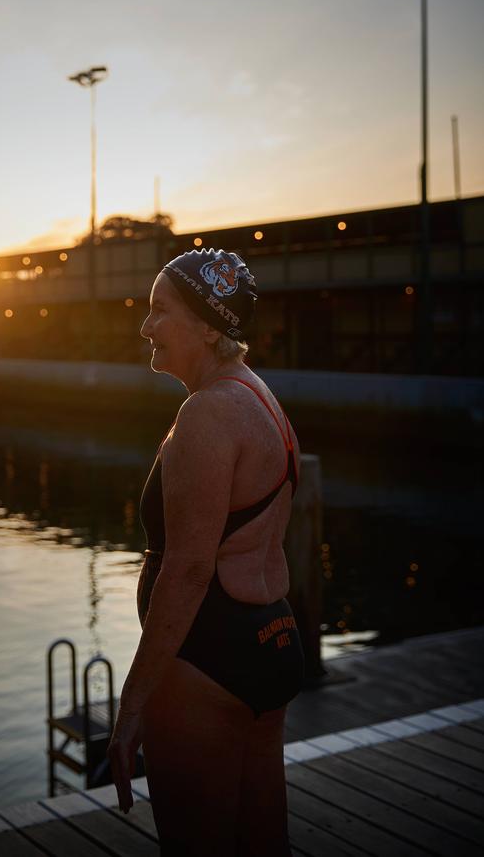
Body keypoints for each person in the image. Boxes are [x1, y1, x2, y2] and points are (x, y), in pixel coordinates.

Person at [107, 248, 305, 856]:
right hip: (270, 639)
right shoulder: (259, 398)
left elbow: (189, 570)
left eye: (159, 311)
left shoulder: (208, 413)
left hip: (206, 658)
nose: (145, 328)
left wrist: (132, 704)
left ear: (208, 324)